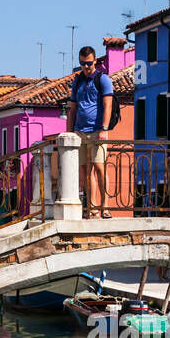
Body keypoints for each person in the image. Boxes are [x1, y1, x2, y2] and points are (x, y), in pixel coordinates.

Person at [67, 45, 114, 218]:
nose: (85, 66)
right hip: (80, 131)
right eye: (82, 63)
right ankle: (92, 207)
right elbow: (73, 108)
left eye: (88, 63)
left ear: (95, 61)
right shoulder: (77, 81)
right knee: (85, 171)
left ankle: (106, 206)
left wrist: (104, 128)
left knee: (99, 167)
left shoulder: (103, 79)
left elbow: (108, 105)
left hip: (97, 131)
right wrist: (69, 133)